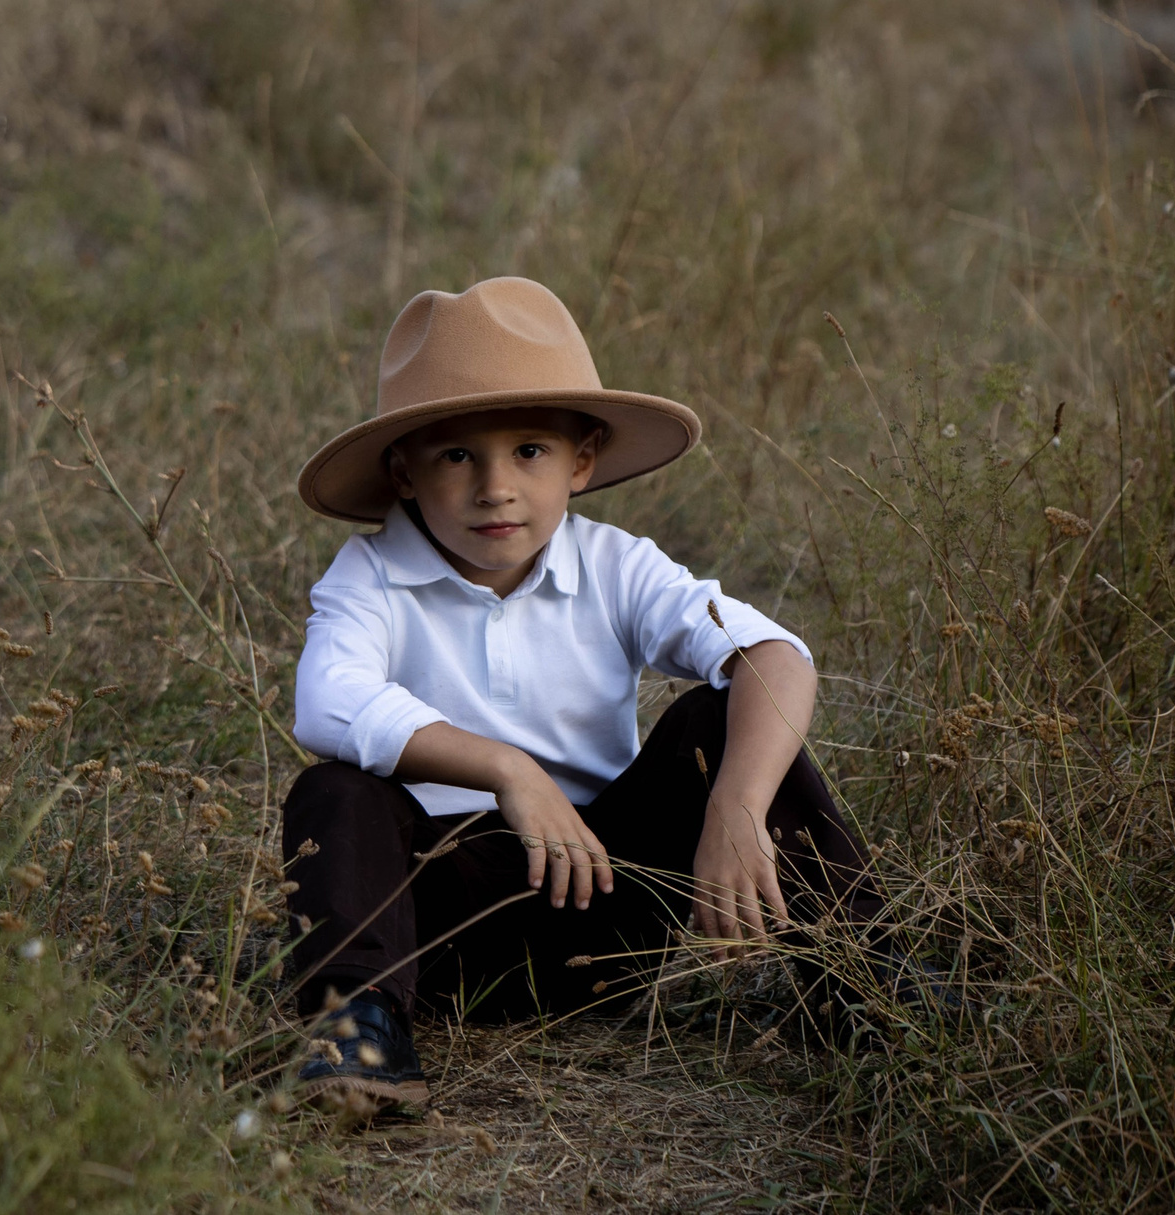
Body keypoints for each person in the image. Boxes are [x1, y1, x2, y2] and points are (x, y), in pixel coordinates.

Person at [281, 277, 881, 1115]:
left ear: (583, 460)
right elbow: (327, 700)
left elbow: (775, 653)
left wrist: (736, 806)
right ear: (403, 472)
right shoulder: (371, 575)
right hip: (441, 927)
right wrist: (507, 769)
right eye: (457, 455)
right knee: (335, 788)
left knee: (721, 719)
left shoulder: (614, 564)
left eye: (530, 450)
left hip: (602, 902)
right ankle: (361, 1024)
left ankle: (871, 988)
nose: (496, 486)